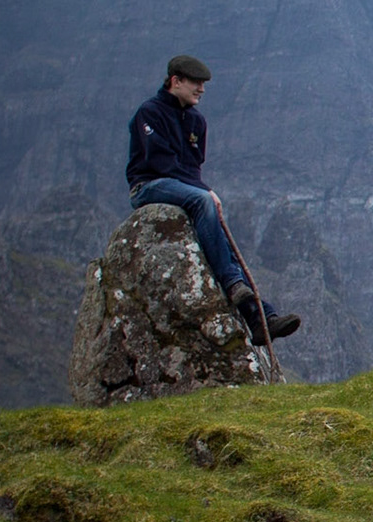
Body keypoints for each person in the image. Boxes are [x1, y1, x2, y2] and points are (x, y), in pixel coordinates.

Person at [125, 54, 300, 344]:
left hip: (183, 186)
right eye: (195, 82)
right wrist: (204, 190)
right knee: (203, 203)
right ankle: (236, 287)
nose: (201, 89)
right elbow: (160, 162)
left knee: (219, 237)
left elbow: (193, 166)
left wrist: (200, 188)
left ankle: (261, 319)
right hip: (149, 185)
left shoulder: (196, 121)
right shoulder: (150, 113)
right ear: (176, 81)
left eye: (203, 84)